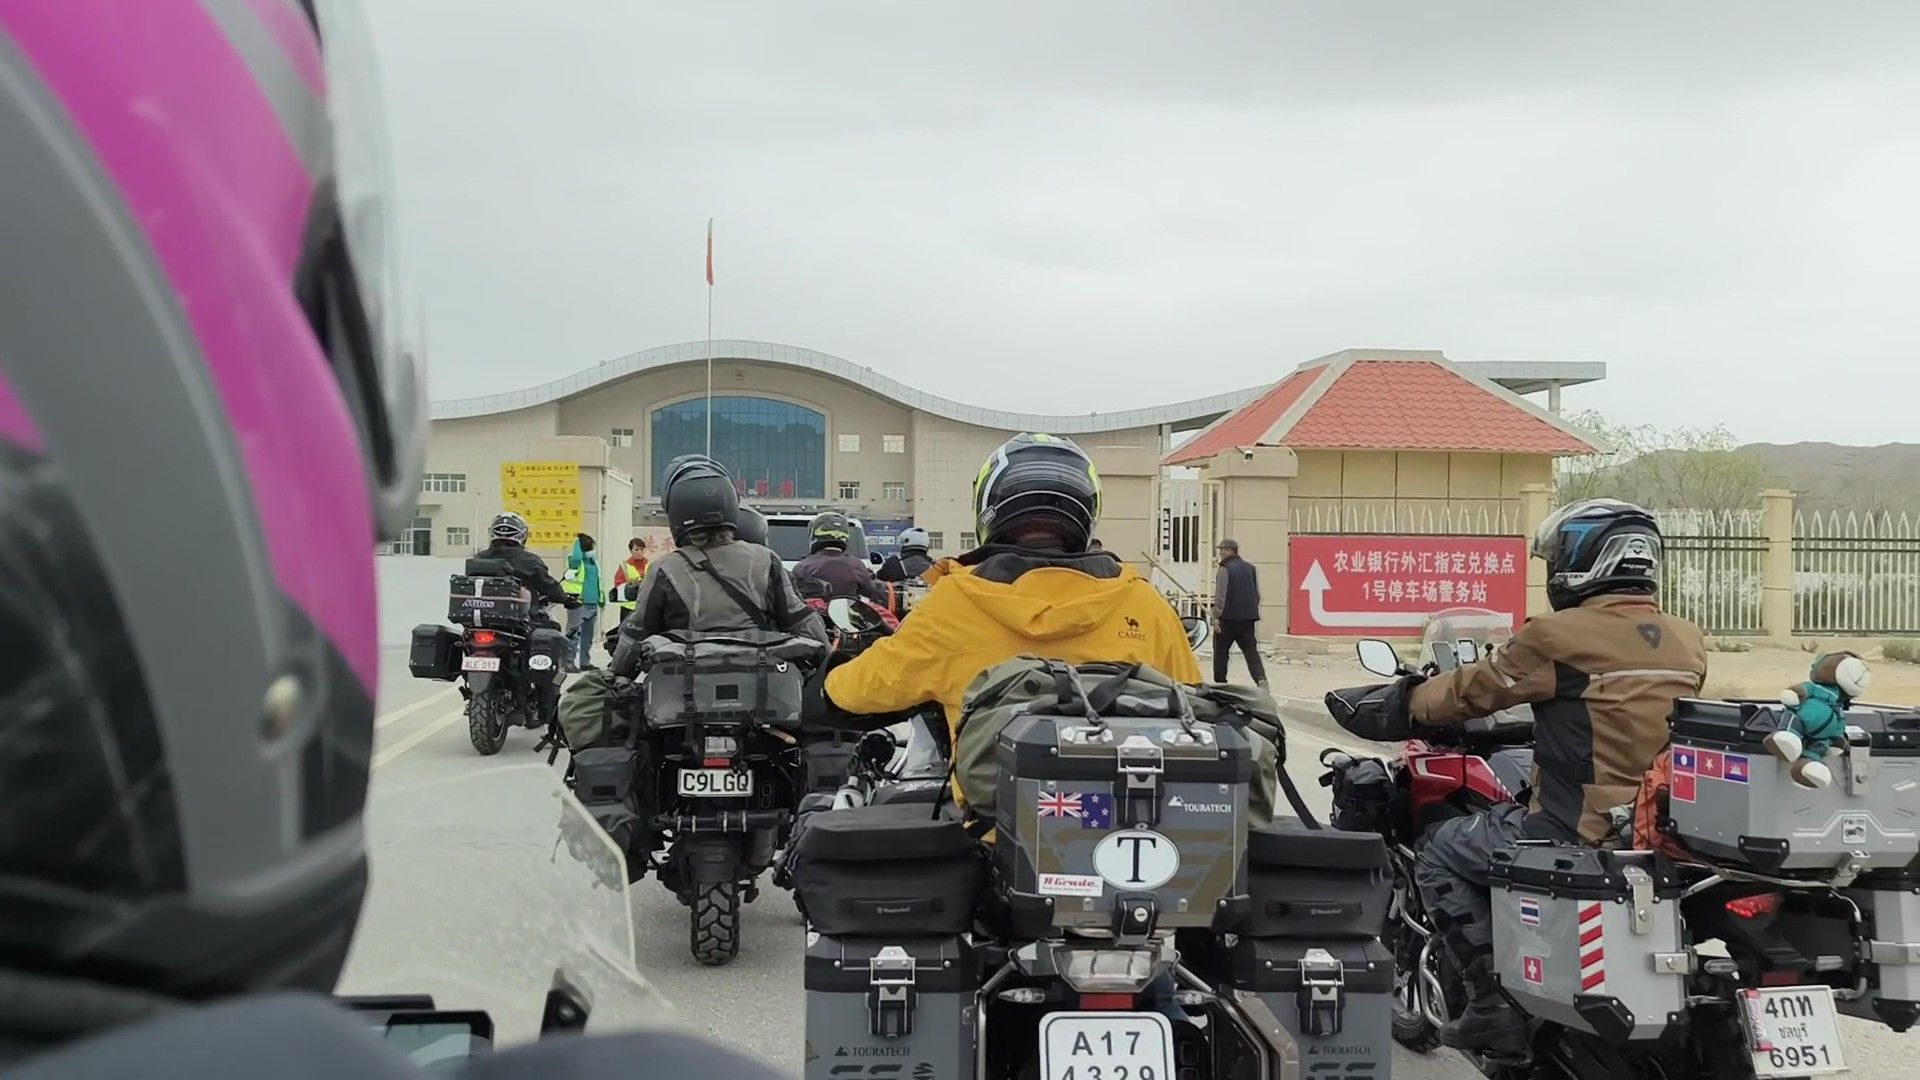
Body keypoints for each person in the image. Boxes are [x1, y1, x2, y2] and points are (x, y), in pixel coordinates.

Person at [0, 2, 782, 1077]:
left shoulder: (536, 568)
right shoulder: (704, 567)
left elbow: (627, 623)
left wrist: (611, 637)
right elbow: (696, 623)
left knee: (609, 727)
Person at [1405, 499, 1706, 1053]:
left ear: (1581, 562)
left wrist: (1411, 698)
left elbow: (1473, 688)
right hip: (1664, 828)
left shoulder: (1555, 636)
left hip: (1578, 829)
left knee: (1439, 851)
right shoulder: (1687, 638)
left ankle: (1491, 1004)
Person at [824, 433, 1202, 789]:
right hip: (1130, 831)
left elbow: (861, 690)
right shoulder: (1144, 604)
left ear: (989, 510)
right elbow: (1195, 707)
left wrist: (828, 679)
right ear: (1088, 511)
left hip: (993, 837)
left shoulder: (955, 603)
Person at [608, 457, 826, 676]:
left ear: (676, 513)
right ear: (732, 505)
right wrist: (827, 664)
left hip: (682, 692)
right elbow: (800, 619)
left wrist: (615, 676)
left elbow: (635, 633)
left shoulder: (663, 568)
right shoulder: (765, 559)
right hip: (762, 688)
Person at [475, 512, 577, 627]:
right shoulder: (530, 561)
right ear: (522, 535)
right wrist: (566, 599)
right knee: (553, 631)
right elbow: (548, 585)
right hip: (523, 620)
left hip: (483, 619)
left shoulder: (479, 558)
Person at [790, 510, 892, 607]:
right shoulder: (857, 565)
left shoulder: (803, 566)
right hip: (849, 620)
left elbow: (792, 599)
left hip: (816, 621)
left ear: (814, 535)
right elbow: (873, 591)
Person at [1211, 538, 1267, 689]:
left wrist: (1216, 616)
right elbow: (1256, 595)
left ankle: (1220, 683)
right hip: (1247, 619)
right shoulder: (1250, 568)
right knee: (1251, 652)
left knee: (1221, 653)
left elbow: (1220, 596)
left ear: (1230, 550)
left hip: (1228, 619)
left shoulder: (1225, 569)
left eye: (1222, 550)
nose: (1220, 553)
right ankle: (1261, 679)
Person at [563, 532, 602, 671]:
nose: (593, 550)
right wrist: (577, 542)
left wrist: (600, 598)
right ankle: (568, 662)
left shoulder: (593, 563)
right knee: (573, 634)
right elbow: (576, 557)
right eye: (591, 547)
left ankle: (585, 662)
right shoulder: (576, 562)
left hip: (592, 602)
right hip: (578, 602)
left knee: (588, 636)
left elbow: (598, 581)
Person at [609, 536, 650, 622]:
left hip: (645, 607)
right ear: (631, 550)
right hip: (628, 609)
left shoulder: (649, 565)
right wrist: (632, 585)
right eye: (636, 549)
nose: (639, 552)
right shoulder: (625, 566)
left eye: (642, 549)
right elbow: (618, 585)